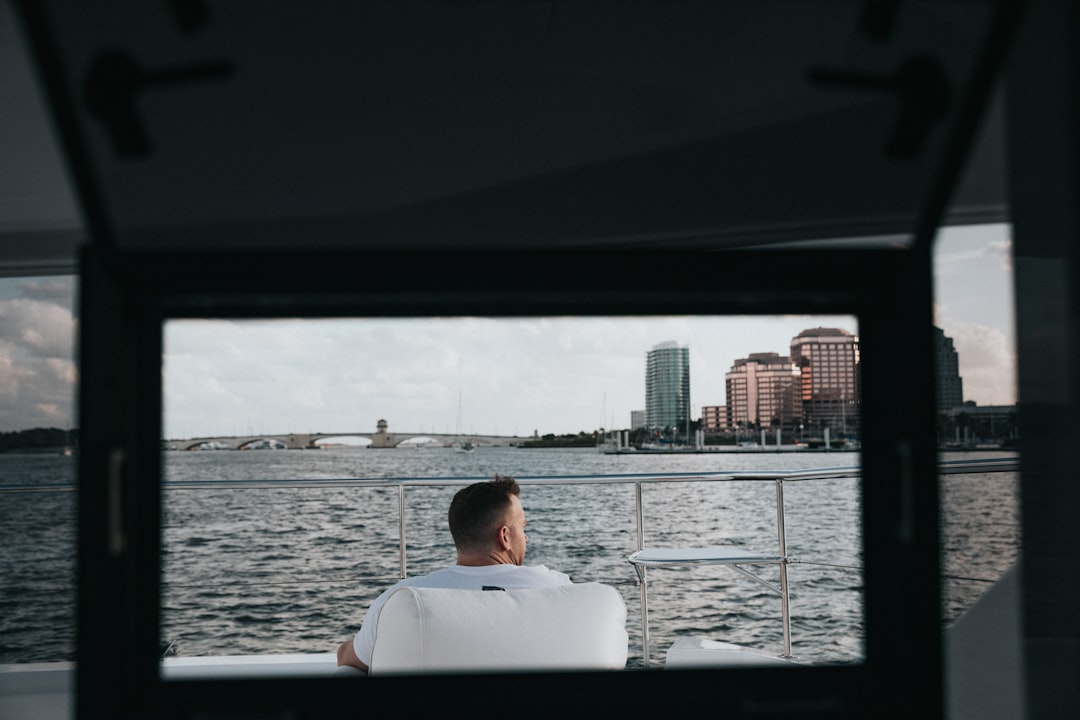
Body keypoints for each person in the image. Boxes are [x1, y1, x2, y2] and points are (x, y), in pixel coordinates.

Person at [336, 473, 571, 673]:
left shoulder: (402, 597)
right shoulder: (558, 588)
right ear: (505, 537)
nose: (526, 537)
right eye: (523, 527)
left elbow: (348, 660)